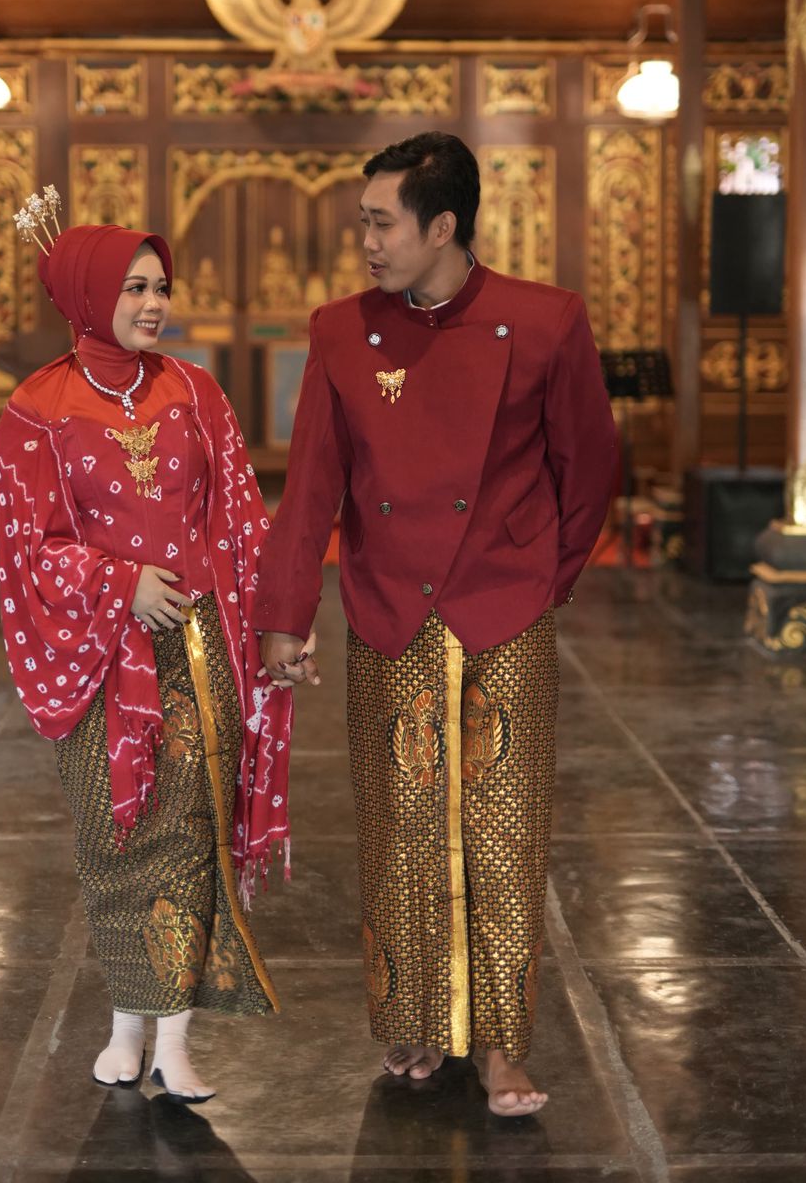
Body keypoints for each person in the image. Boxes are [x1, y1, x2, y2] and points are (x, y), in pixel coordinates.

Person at [254, 132, 617, 1117]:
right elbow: (311, 486)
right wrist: (284, 615)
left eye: (382, 223)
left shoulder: (544, 321)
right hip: (388, 606)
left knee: (505, 830)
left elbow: (588, 466)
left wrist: (544, 579)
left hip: (504, 607)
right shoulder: (340, 331)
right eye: (363, 223)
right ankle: (414, 1016)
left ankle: (500, 1044)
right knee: (398, 828)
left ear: (443, 225)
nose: (366, 241)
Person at [0, 192, 290, 1099]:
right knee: (114, 836)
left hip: (199, 648)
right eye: (133, 288)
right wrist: (120, 583)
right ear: (88, 295)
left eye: (161, 286)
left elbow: (242, 516)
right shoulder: (36, 409)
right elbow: (27, 546)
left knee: (192, 835)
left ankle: (178, 1041)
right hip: (101, 658)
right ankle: (128, 1021)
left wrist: (277, 620)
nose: (155, 303)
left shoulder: (195, 391)